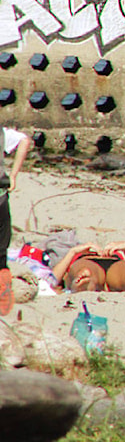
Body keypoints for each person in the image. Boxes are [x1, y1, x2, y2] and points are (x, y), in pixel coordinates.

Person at [0, 128, 31, 315]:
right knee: (1, 253)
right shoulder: (2, 132)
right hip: (1, 196)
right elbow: (24, 141)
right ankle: (3, 302)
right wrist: (13, 175)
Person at [52, 241, 125, 292]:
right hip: (88, 259)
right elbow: (51, 279)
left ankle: (87, 280)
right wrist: (72, 252)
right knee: (85, 270)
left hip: (114, 260)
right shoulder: (76, 254)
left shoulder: (119, 253)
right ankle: (86, 281)